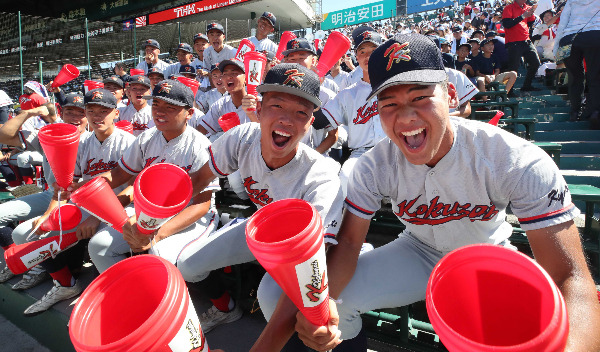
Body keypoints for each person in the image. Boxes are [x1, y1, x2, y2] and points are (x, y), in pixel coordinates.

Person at [274, 33, 600, 352]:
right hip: (416, 250)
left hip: (485, 253)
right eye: (389, 102)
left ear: (452, 96)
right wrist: (323, 307)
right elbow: (346, 243)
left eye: (419, 97)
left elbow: (570, 276)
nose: (404, 115)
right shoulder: (372, 164)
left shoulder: (514, 158)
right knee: (316, 302)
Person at [176, 63, 343, 334]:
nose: (287, 120)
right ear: (260, 109)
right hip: (258, 228)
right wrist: (157, 217)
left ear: (310, 123)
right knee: (187, 265)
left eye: (301, 112)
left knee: (270, 297)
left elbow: (313, 257)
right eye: (277, 106)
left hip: (300, 252)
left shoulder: (321, 174)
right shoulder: (243, 137)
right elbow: (198, 179)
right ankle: (225, 309)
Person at [11, 88, 135, 316]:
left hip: (120, 208)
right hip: (85, 206)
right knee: (23, 234)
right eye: (91, 110)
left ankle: (120, 297)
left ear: (116, 113)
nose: (97, 116)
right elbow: (66, 188)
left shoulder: (129, 142)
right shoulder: (82, 143)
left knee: (100, 246)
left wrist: (94, 218)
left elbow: (135, 187)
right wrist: (49, 214)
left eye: (104, 111)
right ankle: (65, 285)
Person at [83, 79, 219, 273]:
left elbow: (201, 204)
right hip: (149, 211)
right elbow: (120, 173)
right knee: (99, 246)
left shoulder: (200, 145)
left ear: (189, 113)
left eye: (170, 107)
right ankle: (127, 293)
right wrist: (84, 187)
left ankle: (216, 300)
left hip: (192, 214)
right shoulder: (147, 137)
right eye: (156, 104)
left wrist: (157, 234)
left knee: (158, 254)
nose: (159, 112)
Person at [0, 94, 88, 286]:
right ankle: (24, 261)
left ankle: (63, 281)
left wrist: (50, 213)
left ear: (88, 115)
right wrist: (28, 112)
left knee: (25, 233)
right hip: (52, 195)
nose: (75, 117)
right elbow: (4, 135)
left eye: (80, 112)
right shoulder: (48, 135)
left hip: (79, 201)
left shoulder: (91, 140)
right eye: (69, 111)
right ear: (61, 112)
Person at [320, 31, 386, 197]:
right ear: (356, 57)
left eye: (373, 50)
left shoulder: (397, 86)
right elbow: (321, 121)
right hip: (361, 153)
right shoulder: (348, 94)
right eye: (362, 51)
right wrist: (311, 89)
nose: (367, 56)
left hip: (395, 149)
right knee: (345, 177)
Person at [553, 0, 600, 122]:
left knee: (574, 77)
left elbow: (563, 23)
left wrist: (556, 48)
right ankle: (595, 111)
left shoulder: (571, 1)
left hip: (569, 38)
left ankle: (575, 112)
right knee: (595, 75)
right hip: (595, 34)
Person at [502, 0, 541, 92]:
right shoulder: (508, 8)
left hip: (526, 40)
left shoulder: (527, 7)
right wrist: (523, 16)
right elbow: (507, 24)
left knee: (535, 63)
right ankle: (509, 91)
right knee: (513, 67)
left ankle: (527, 86)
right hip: (513, 42)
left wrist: (532, 16)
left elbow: (530, 23)